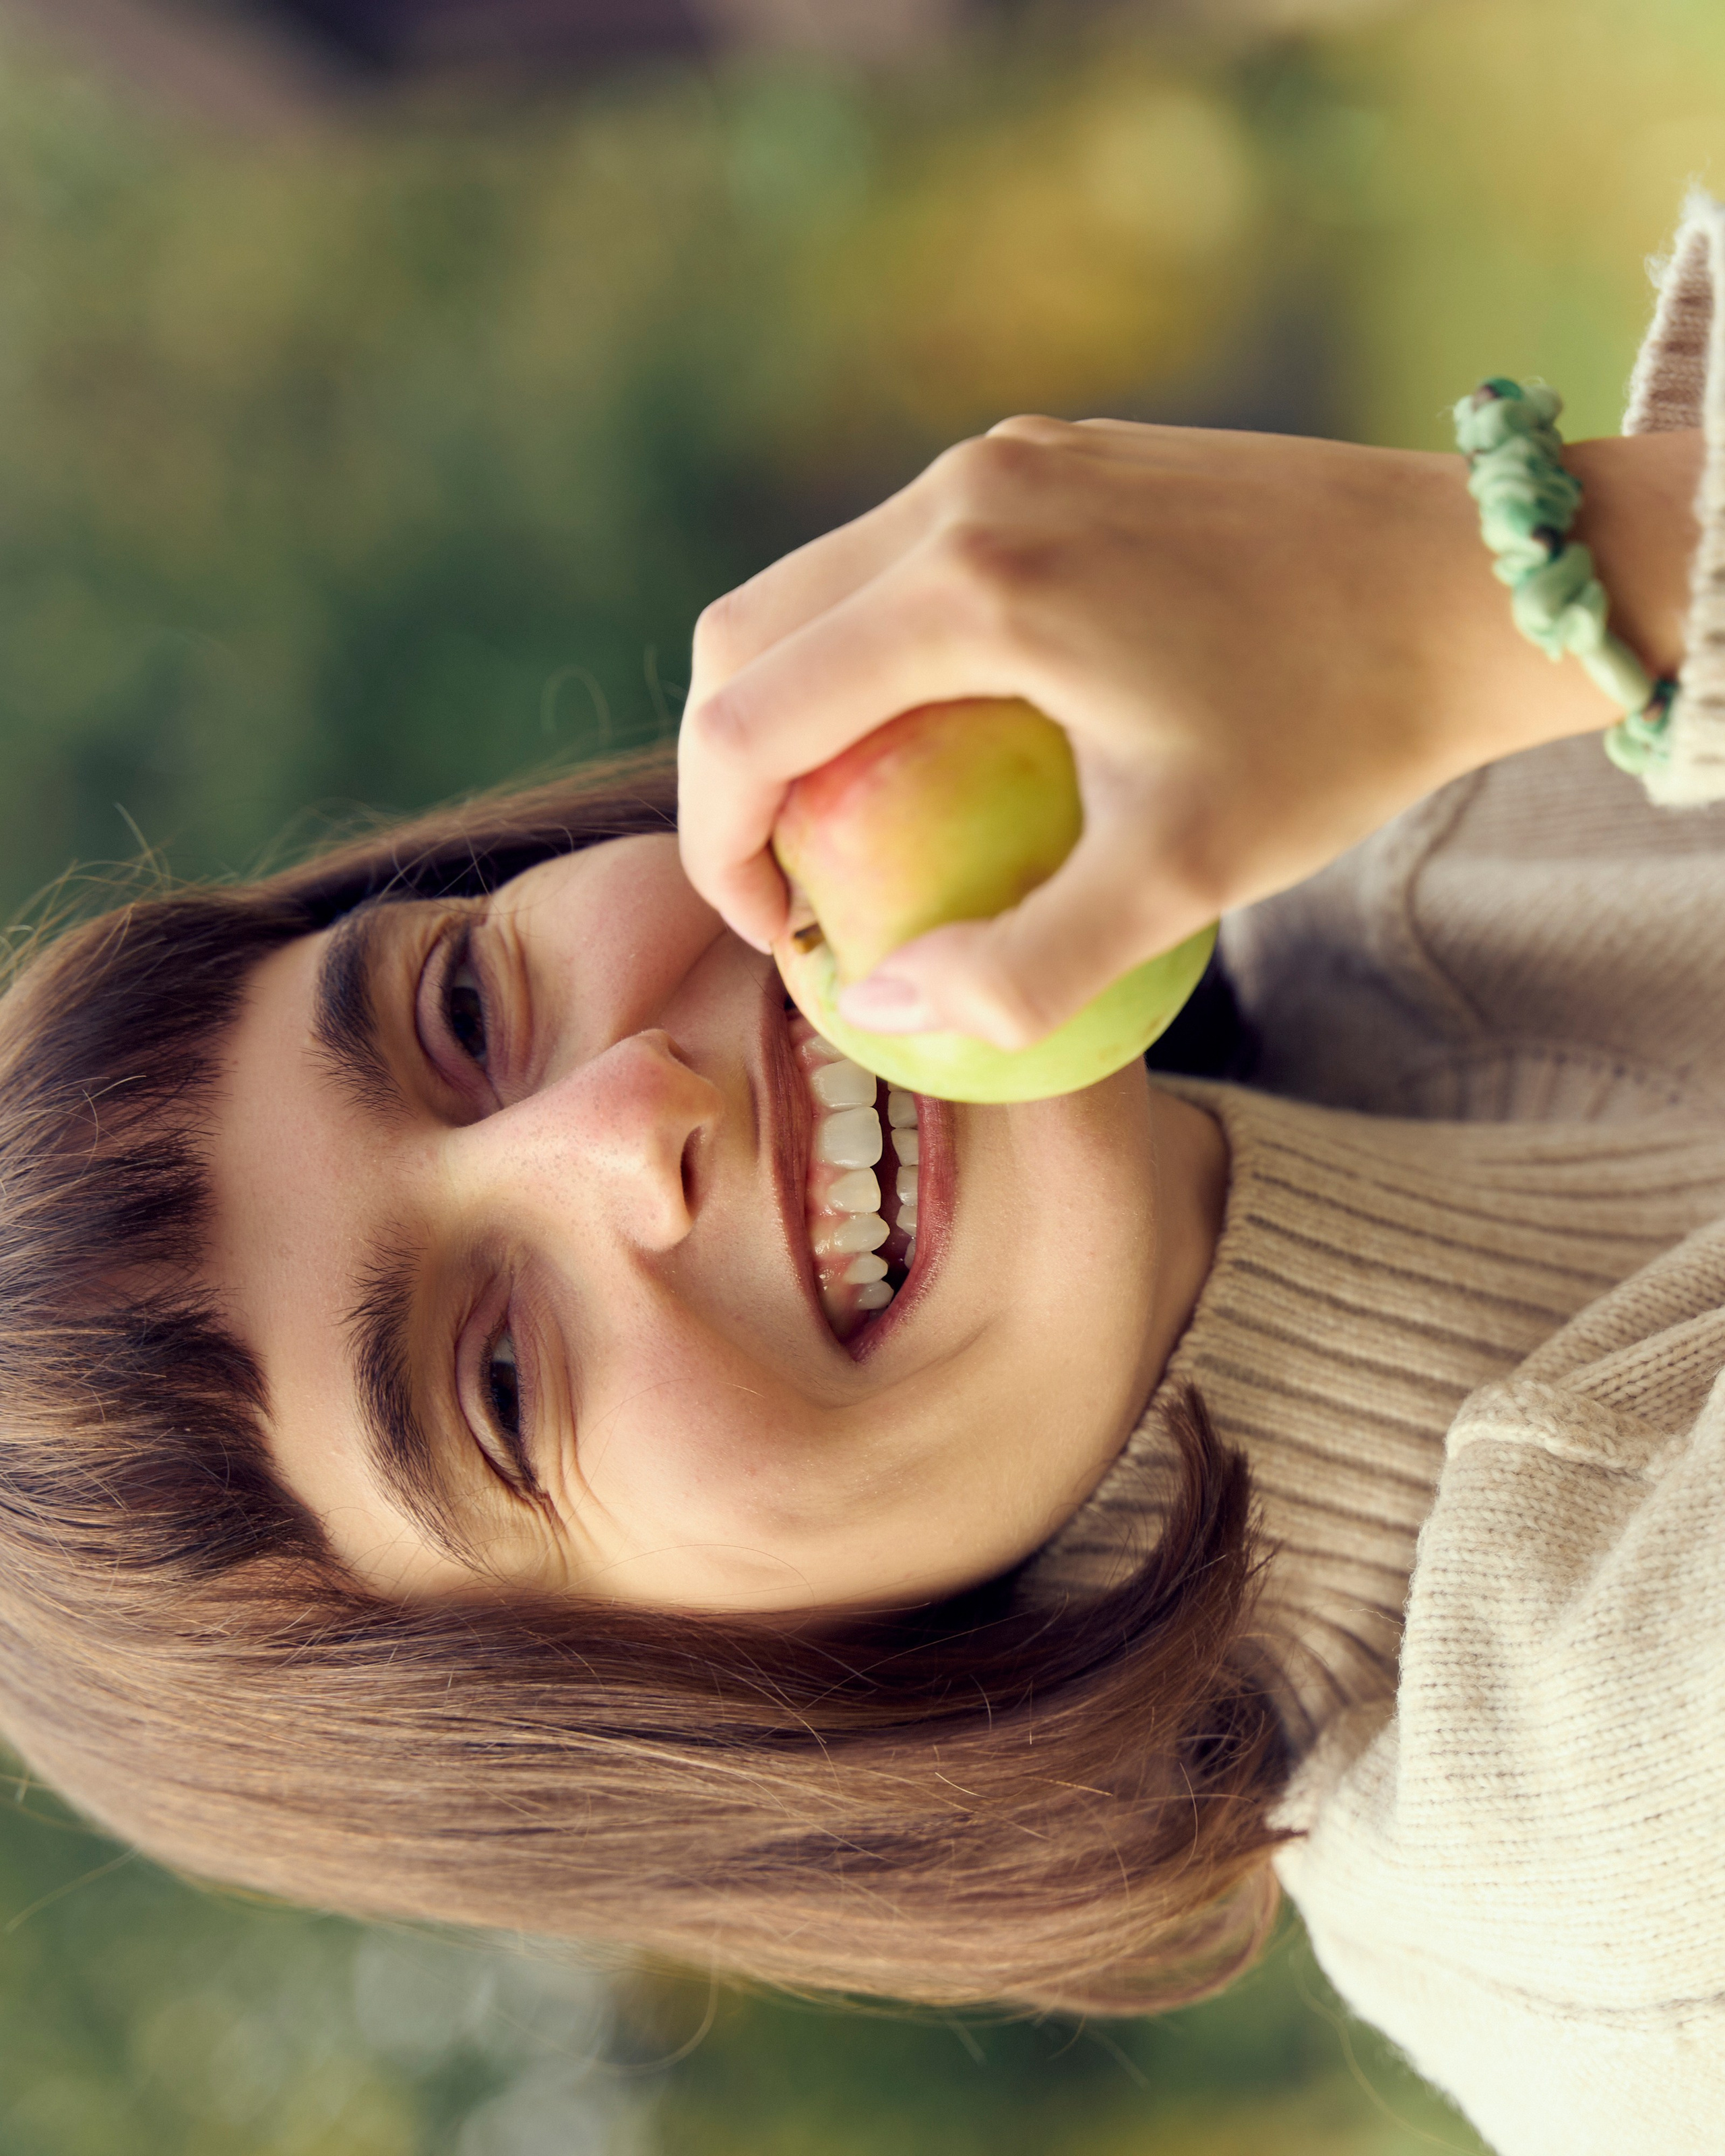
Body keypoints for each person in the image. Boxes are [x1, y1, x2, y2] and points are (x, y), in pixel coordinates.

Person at [0, 185, 1721, 2156]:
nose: (625, 1120)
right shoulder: (1637, 1869)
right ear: (668, 1715)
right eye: (494, 1385)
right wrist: (1538, 586)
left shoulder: (1430, 850)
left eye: (464, 1009)